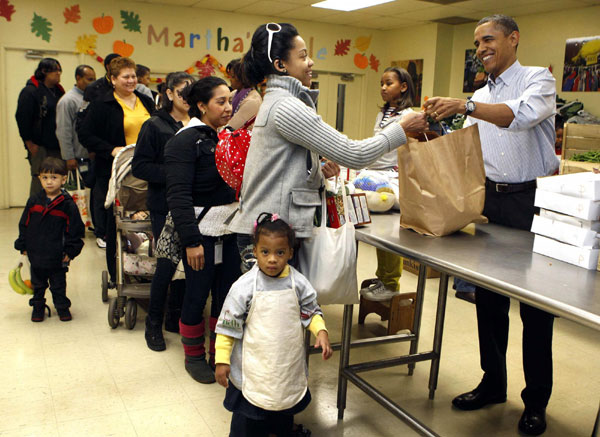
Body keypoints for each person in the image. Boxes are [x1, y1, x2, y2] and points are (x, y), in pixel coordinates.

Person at [423, 14, 559, 436]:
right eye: (477, 43)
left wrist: (464, 105)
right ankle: (492, 383)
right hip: (489, 203)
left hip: (531, 203)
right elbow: (466, 147)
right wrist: (431, 133)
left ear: (513, 39)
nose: (481, 48)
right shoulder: (480, 94)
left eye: (488, 39)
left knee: (536, 310)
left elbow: (519, 116)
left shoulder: (537, 79)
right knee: (489, 301)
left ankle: (535, 400)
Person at [228, 23, 428, 271]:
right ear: (280, 65)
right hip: (271, 235)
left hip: (271, 227)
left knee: (283, 306)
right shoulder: (287, 107)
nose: (310, 62)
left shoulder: (280, 101)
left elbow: (278, 166)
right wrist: (402, 129)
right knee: (278, 308)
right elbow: (354, 154)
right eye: (302, 56)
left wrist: (316, 170)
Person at [215, 213, 332, 437]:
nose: (272, 259)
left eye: (280, 252)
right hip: (252, 371)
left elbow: (310, 310)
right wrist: (221, 360)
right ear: (255, 251)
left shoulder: (298, 283)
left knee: (281, 417)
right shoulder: (244, 287)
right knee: (247, 426)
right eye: (265, 252)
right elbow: (227, 327)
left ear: (290, 252)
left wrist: (321, 331)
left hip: (285, 370)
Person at [164, 77, 242, 383]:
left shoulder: (225, 137)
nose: (228, 107)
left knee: (227, 298)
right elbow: (178, 196)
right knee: (196, 296)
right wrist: (192, 241)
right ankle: (193, 356)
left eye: (229, 100)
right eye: (220, 102)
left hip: (231, 232)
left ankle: (219, 355)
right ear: (200, 105)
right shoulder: (184, 141)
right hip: (201, 237)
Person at [78, 57, 154, 286]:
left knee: (145, 220)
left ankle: (146, 267)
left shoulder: (144, 100)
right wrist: (110, 149)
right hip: (114, 170)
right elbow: (86, 135)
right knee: (117, 222)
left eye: (133, 76)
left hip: (144, 168)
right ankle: (116, 273)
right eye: (125, 77)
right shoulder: (102, 104)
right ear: (113, 79)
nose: (131, 81)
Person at [132, 71, 194, 351]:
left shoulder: (198, 124)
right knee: (167, 265)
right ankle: (153, 324)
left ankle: (174, 317)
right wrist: (174, 174)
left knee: (190, 264)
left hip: (192, 203)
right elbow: (140, 167)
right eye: (182, 92)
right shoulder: (154, 125)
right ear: (168, 93)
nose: (187, 99)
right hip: (164, 204)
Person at [360, 67, 416, 302]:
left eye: (389, 83)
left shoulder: (409, 116)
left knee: (390, 236)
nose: (383, 88)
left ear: (403, 87)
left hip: (393, 180)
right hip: (376, 175)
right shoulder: (383, 113)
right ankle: (383, 277)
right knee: (379, 234)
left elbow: (409, 150)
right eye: (381, 83)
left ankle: (391, 282)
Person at [14, 157, 85, 322]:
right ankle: (38, 307)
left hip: (57, 255)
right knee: (37, 284)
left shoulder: (67, 204)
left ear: (63, 179)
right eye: (45, 177)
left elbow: (75, 230)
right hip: (36, 253)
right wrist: (23, 244)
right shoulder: (34, 201)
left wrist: (70, 251)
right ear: (39, 178)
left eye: (54, 178)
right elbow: (24, 224)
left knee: (58, 284)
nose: (49, 182)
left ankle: (62, 307)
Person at [15, 58, 65, 196]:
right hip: (40, 146)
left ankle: (56, 213)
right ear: (44, 71)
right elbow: (22, 118)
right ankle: (36, 213)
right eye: (55, 70)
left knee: (58, 180)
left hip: (57, 145)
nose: (58, 73)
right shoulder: (31, 91)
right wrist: (29, 143)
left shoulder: (59, 91)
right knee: (41, 182)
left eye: (60, 70)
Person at [56, 64, 96, 173]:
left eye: (94, 80)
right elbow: (63, 131)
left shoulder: (93, 97)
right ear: (78, 78)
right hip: (77, 158)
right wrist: (69, 157)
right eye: (89, 79)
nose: (93, 83)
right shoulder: (68, 101)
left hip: (93, 156)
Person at [226, 58, 262, 130]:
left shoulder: (253, 101)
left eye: (233, 76)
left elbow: (230, 128)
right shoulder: (234, 93)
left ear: (243, 77)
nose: (230, 79)